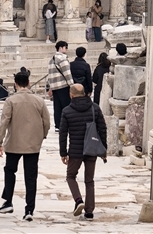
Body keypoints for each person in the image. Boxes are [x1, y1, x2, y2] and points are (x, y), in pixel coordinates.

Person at [0, 68, 50, 221]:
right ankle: (29, 209)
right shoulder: (39, 100)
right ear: (29, 83)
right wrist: (42, 136)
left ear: (15, 84)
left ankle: (8, 201)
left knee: (9, 171)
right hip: (33, 144)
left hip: (14, 143)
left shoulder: (11, 101)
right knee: (31, 177)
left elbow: (4, 122)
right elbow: (47, 122)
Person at [59, 83, 107, 220]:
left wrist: (63, 152)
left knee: (70, 176)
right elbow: (102, 129)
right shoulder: (95, 108)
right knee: (89, 180)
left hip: (75, 150)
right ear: (85, 93)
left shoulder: (67, 111)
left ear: (71, 94)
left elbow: (63, 134)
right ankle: (89, 210)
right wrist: (103, 149)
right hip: (91, 149)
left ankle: (78, 200)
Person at [47, 40, 72, 129]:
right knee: (66, 105)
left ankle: (58, 125)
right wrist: (72, 85)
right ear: (61, 48)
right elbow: (67, 73)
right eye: (66, 47)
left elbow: (50, 74)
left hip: (54, 86)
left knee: (57, 107)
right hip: (63, 85)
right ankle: (67, 124)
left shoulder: (51, 60)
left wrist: (50, 87)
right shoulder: (62, 59)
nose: (67, 49)